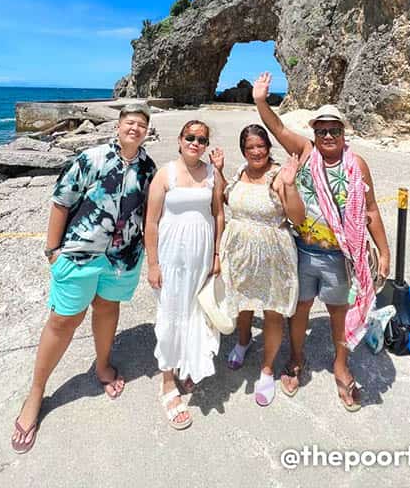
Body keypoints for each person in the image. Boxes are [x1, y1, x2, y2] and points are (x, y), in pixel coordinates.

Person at [10, 102, 158, 454]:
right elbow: (61, 202)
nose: (134, 129)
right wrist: (52, 251)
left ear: (147, 130)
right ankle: (36, 394)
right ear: (119, 126)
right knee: (63, 321)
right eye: (129, 122)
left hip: (122, 259)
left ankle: (103, 365)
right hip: (80, 254)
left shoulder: (149, 168)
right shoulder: (90, 158)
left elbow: (152, 213)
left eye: (141, 124)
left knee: (107, 309)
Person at [252, 72, 391, 412]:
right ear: (314, 133)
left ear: (345, 133)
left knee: (339, 312)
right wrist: (260, 101)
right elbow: (278, 129)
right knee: (300, 309)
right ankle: (297, 358)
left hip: (341, 256)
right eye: (322, 130)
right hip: (303, 250)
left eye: (335, 130)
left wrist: (384, 253)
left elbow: (370, 210)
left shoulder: (357, 164)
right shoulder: (306, 152)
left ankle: (341, 366)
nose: (328, 135)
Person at [211, 125, 306, 407]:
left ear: (268, 147)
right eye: (250, 147)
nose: (256, 151)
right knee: (242, 304)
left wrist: (289, 185)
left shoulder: (278, 176)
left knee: (272, 311)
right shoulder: (240, 173)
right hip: (239, 250)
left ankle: (266, 369)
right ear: (243, 150)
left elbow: (298, 218)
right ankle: (243, 342)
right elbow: (224, 198)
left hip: (273, 255)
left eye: (261, 145)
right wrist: (218, 170)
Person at [144, 119, 224, 430]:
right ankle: (167, 380)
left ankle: (189, 362)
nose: (195, 143)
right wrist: (153, 263)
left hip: (201, 257)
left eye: (201, 139)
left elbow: (218, 214)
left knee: (195, 312)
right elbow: (150, 223)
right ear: (180, 140)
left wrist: (216, 254)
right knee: (171, 313)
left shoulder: (211, 174)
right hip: (171, 257)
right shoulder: (166, 174)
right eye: (190, 137)